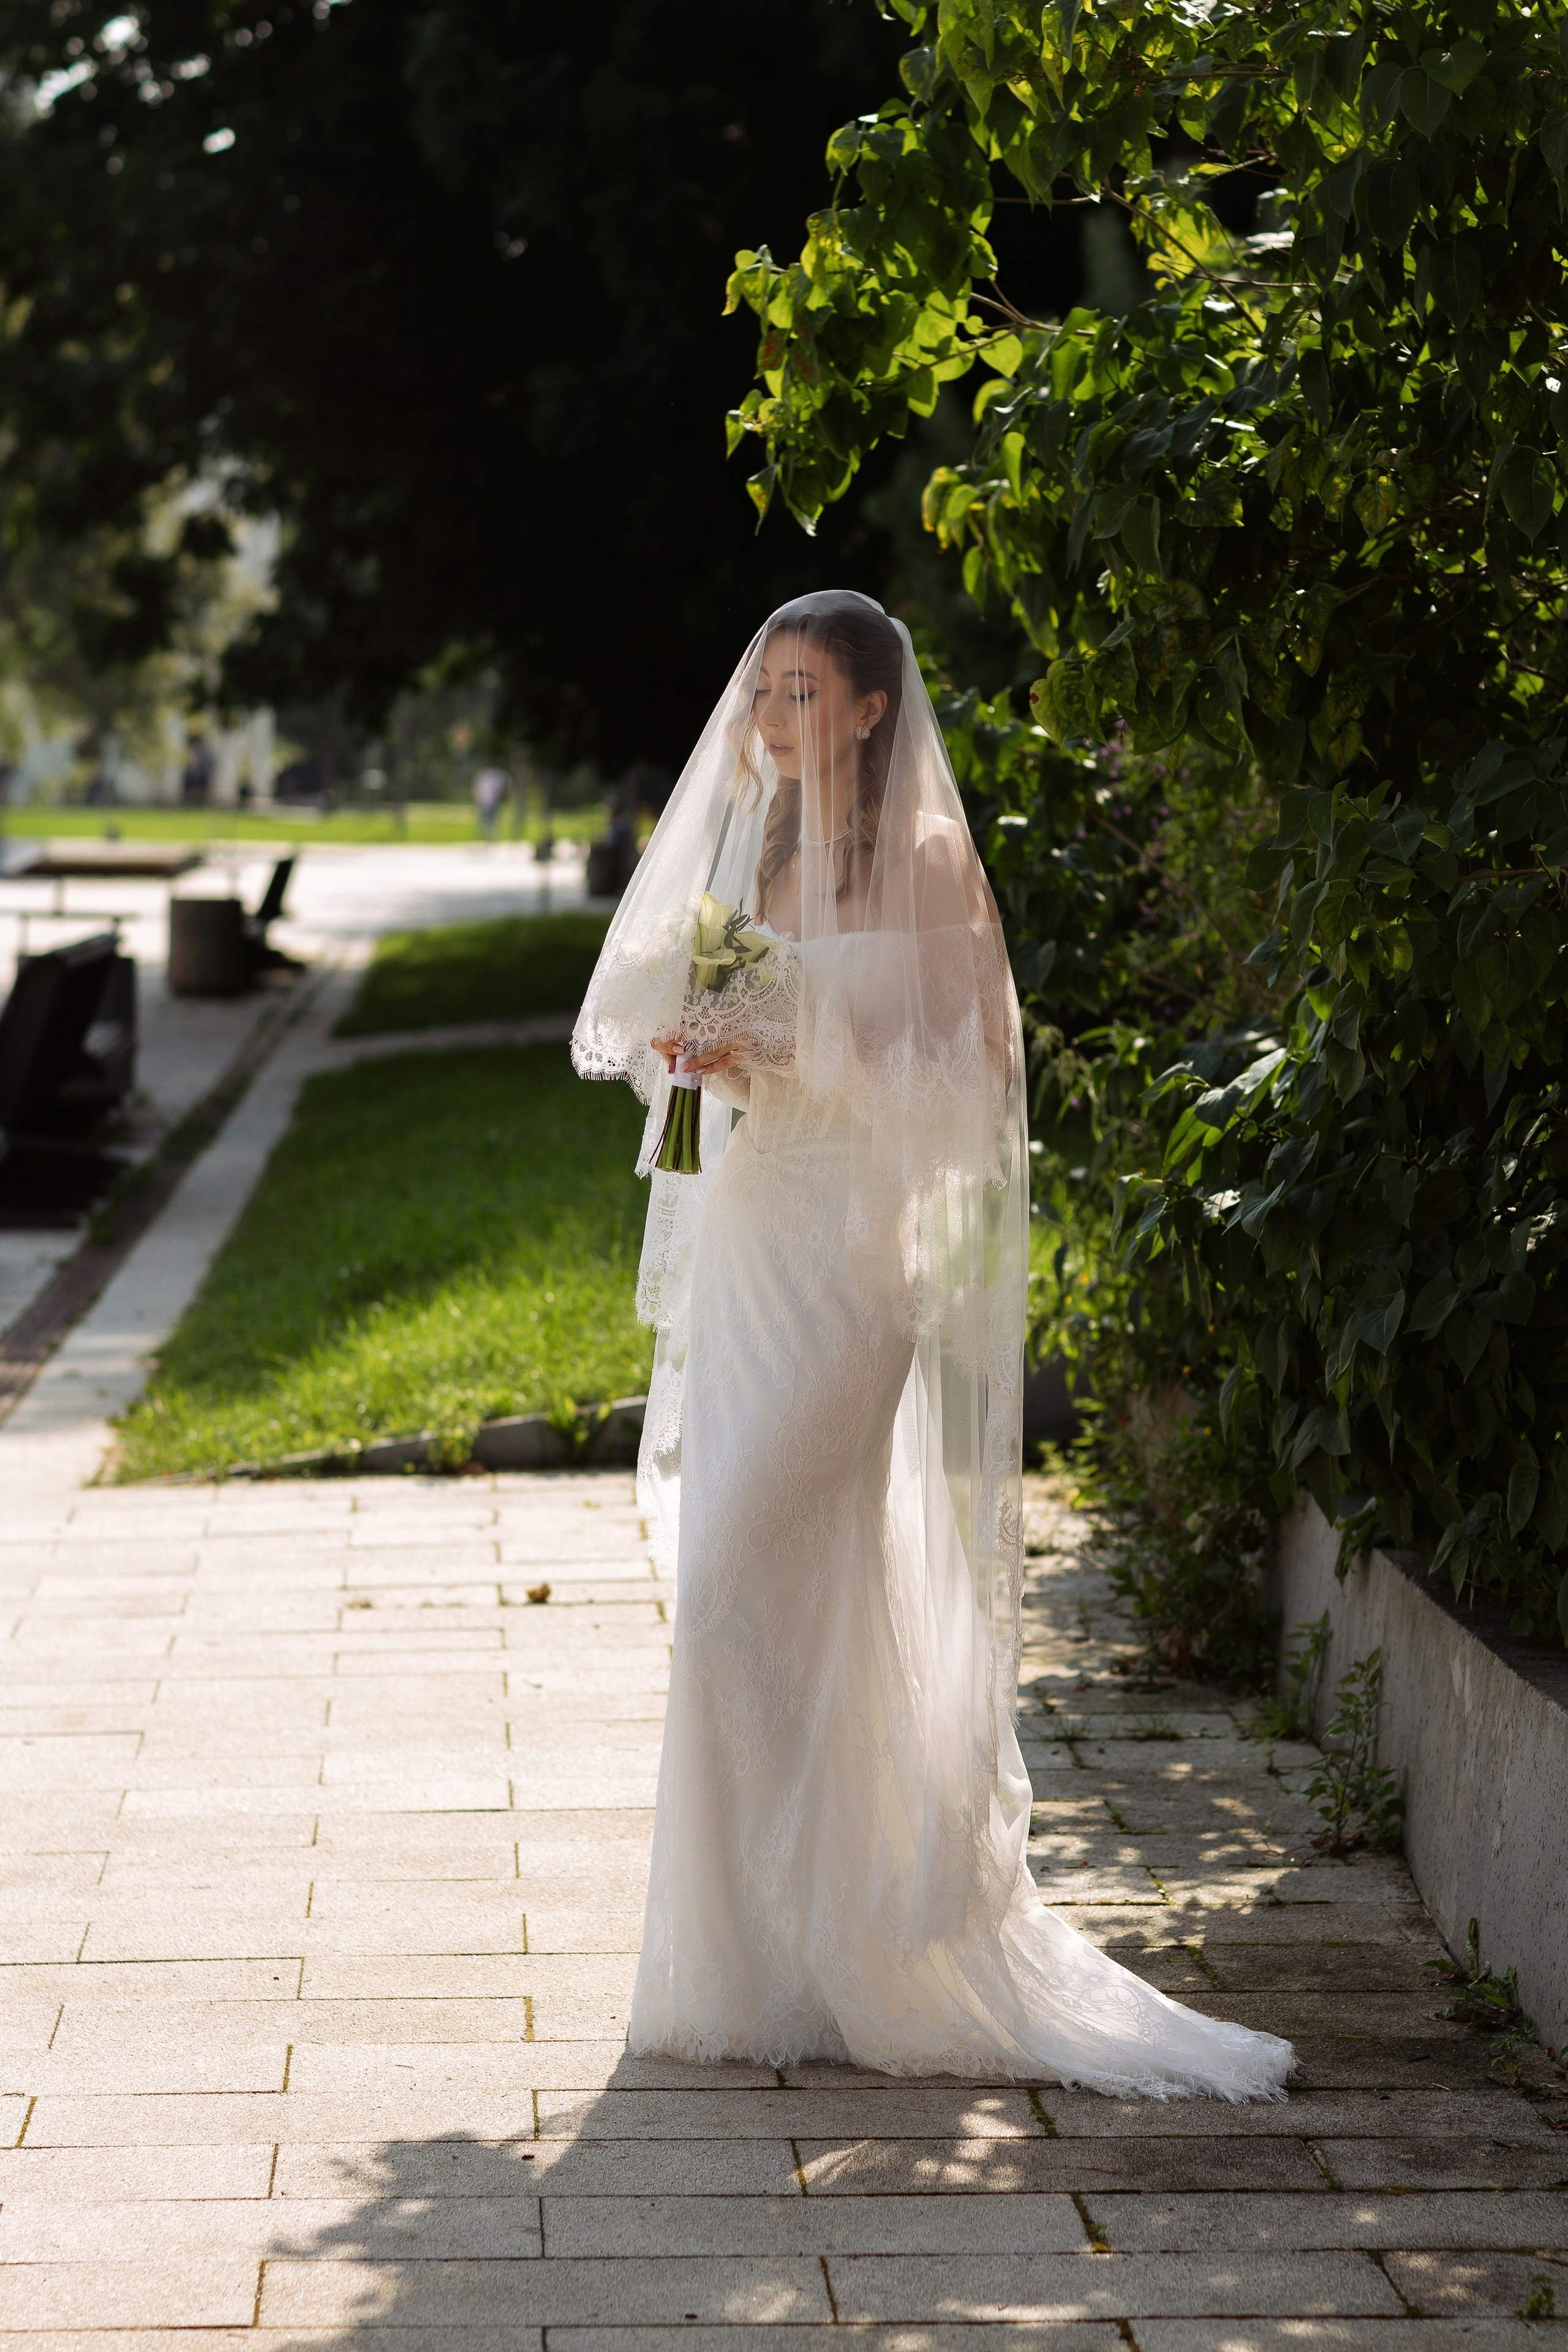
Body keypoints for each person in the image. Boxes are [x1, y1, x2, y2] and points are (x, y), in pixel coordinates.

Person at [571, 590, 1293, 2098]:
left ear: (867, 708)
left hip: (850, 1271)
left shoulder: (927, 865)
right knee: (779, 1598)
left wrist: (798, 1027)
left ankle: (879, 1942)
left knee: (729, 1583)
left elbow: (960, 1077)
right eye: (760, 689)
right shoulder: (748, 848)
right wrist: (699, 1046)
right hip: (755, 1240)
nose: (770, 718)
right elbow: (670, 1024)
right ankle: (771, 1962)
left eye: (800, 691)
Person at [473, 763, 509, 839]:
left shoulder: (499, 776)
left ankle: (492, 836)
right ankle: (485, 835)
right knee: (485, 819)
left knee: (493, 820)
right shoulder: (484, 776)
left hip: (494, 802)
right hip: (485, 802)